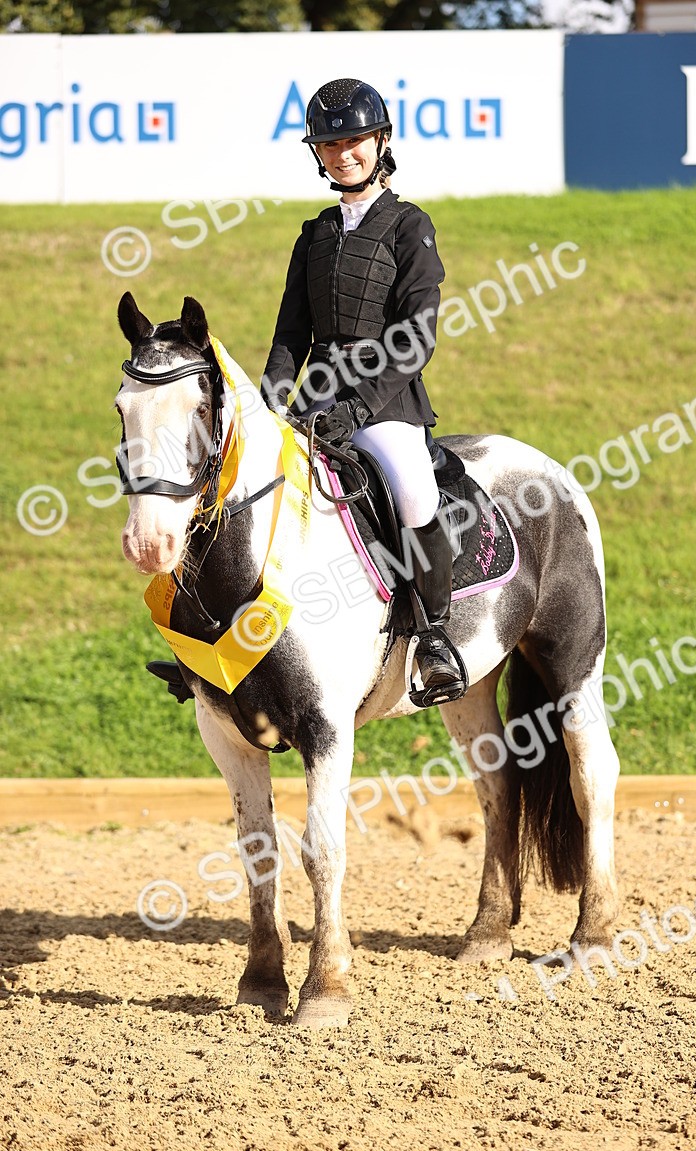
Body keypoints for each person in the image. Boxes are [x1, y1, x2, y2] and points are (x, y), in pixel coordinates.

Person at [261, 78, 462, 697]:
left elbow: (416, 337)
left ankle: (433, 635)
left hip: (387, 400)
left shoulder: (409, 225)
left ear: (380, 142)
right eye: (329, 144)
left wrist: (357, 408)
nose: (342, 154)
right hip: (316, 399)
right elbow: (291, 331)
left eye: (354, 141)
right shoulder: (314, 233)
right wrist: (272, 396)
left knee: (414, 492)